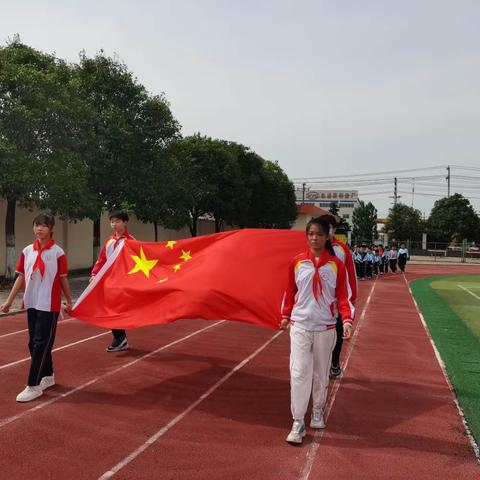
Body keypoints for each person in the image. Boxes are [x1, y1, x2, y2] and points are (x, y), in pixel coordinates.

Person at [280, 216, 354, 444]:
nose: (314, 238)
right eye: (310, 234)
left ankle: (317, 411)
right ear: (306, 236)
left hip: (326, 327)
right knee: (299, 372)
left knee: (320, 374)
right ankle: (298, 421)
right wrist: (285, 315)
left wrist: (348, 319)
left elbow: (344, 296)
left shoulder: (336, 265)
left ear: (327, 237)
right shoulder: (297, 263)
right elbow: (289, 292)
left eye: (319, 234)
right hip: (300, 325)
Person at [0, 213, 72, 402]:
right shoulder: (27, 251)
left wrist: (70, 301)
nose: (39, 228)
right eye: (37, 225)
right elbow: (21, 276)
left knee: (41, 343)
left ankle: (33, 385)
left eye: (44, 225)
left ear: (52, 229)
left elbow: (63, 278)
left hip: (50, 305)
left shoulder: (58, 252)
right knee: (33, 343)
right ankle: (48, 376)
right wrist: (9, 301)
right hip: (32, 302)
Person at [319, 215, 357, 379]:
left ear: (333, 230)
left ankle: (334, 362)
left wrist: (351, 299)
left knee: (338, 333)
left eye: (329, 227)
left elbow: (351, 275)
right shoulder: (312, 247)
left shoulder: (342, 249)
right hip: (318, 301)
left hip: (337, 301)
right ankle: (319, 365)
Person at [90, 210, 134, 352]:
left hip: (123, 282)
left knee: (116, 310)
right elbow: (102, 259)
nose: (114, 224)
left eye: (117, 221)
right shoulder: (109, 241)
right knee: (110, 310)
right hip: (109, 282)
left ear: (125, 222)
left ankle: (120, 338)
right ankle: (120, 338)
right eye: (112, 221)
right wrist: (94, 273)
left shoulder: (131, 242)